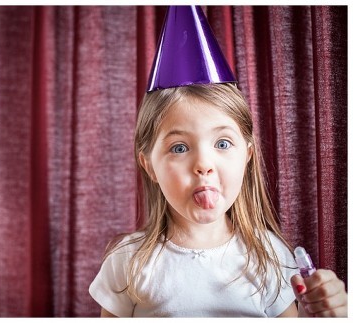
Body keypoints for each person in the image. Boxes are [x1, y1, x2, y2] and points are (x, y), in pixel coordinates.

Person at [88, 6, 347, 317]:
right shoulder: (127, 262)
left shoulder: (271, 256)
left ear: (247, 156)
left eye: (223, 143)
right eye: (180, 148)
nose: (204, 165)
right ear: (149, 166)